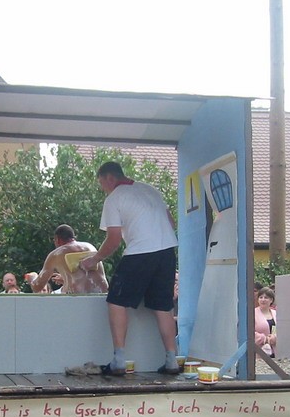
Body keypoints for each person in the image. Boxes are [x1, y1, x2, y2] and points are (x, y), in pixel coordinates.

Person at [79, 161, 178, 375]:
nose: (103, 189)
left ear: (110, 178)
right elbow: (171, 223)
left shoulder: (114, 198)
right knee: (164, 306)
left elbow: (113, 239)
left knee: (116, 300)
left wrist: (94, 260)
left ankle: (119, 360)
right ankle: (171, 360)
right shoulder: (150, 190)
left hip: (139, 253)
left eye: (101, 184)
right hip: (167, 252)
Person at [26, 224, 109, 294]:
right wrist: (65, 279)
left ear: (57, 239)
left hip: (76, 300)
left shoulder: (56, 254)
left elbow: (37, 287)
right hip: (102, 297)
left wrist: (32, 278)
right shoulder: (90, 247)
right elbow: (85, 278)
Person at [254, 286, 277, 357]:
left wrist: (275, 337)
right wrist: (265, 339)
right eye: (261, 297)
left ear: (271, 300)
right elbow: (249, 333)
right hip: (259, 353)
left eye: (266, 298)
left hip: (275, 352)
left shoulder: (276, 313)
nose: (263, 300)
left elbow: (283, 330)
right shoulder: (252, 313)